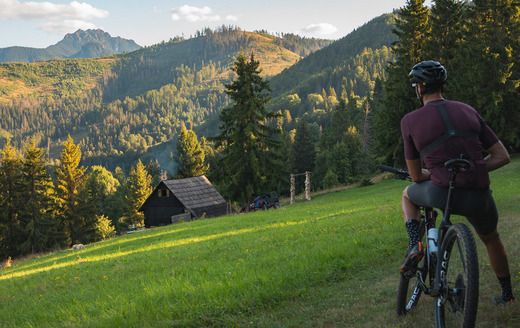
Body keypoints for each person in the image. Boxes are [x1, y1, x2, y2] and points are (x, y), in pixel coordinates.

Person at [399, 60, 515, 305]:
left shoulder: (410, 120)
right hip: (479, 195)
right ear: (442, 85)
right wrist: (476, 166)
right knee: (491, 238)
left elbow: (416, 176)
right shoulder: (468, 110)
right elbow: (502, 156)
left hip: (443, 192)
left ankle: (415, 245)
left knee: (408, 195)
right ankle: (507, 294)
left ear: (420, 88)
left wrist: (435, 172)